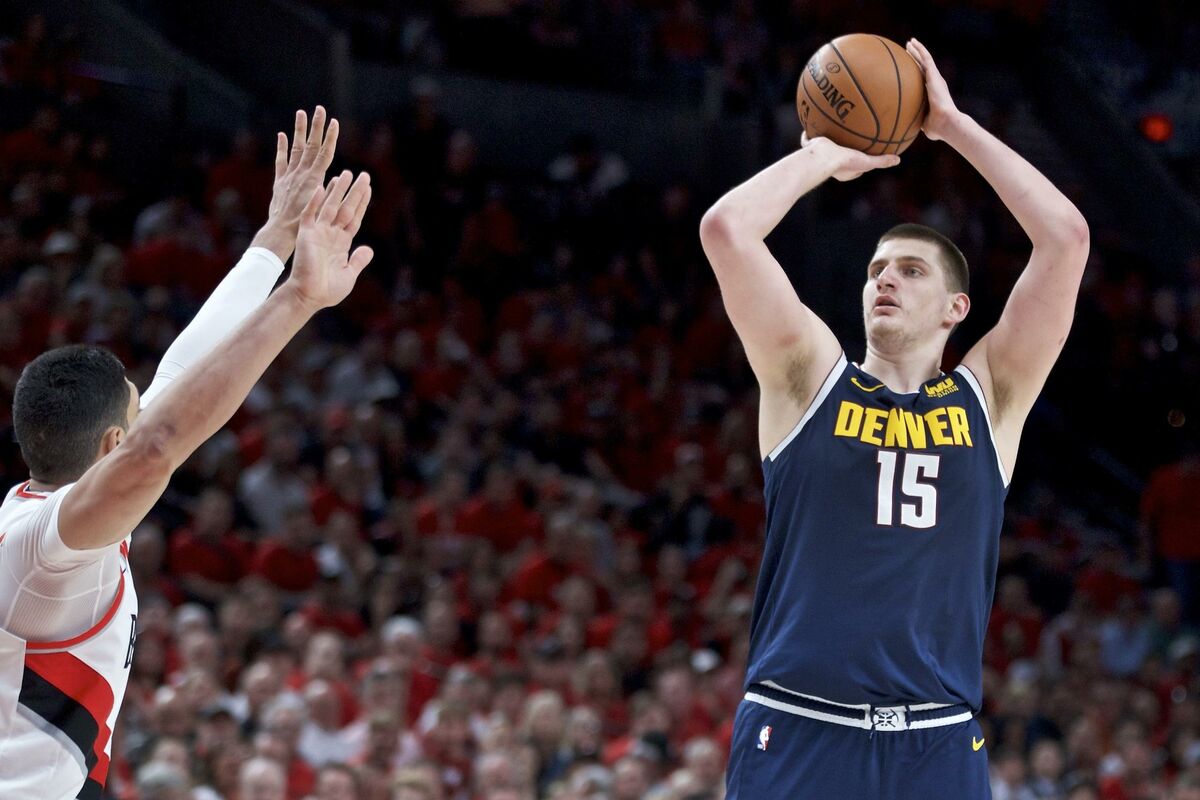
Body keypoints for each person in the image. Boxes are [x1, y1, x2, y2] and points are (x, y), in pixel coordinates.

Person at [700, 39, 1089, 799]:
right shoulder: (809, 379)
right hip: (800, 724)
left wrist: (952, 127)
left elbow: (1066, 238)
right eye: (876, 270)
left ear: (956, 309)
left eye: (910, 272)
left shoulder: (991, 398)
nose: (885, 281)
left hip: (936, 740)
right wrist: (823, 155)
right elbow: (727, 230)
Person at [0, 106, 375, 800]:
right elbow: (158, 445)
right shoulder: (46, 550)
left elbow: (181, 375)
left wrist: (275, 235)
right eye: (135, 409)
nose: (150, 405)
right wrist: (298, 298)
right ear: (112, 445)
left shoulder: (35, 513)